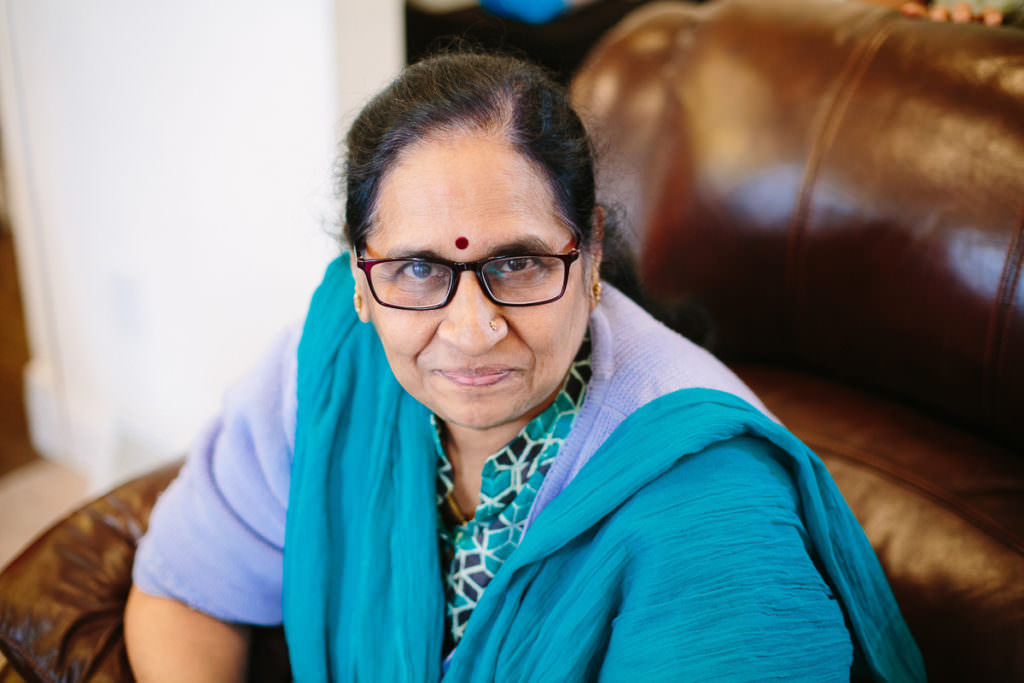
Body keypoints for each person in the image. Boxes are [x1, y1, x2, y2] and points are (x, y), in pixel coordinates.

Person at [124, 52, 924, 681]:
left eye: (518, 263)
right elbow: (184, 590)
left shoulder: (713, 510)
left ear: (592, 251)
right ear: (360, 280)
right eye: (416, 268)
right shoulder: (339, 354)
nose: (471, 331)